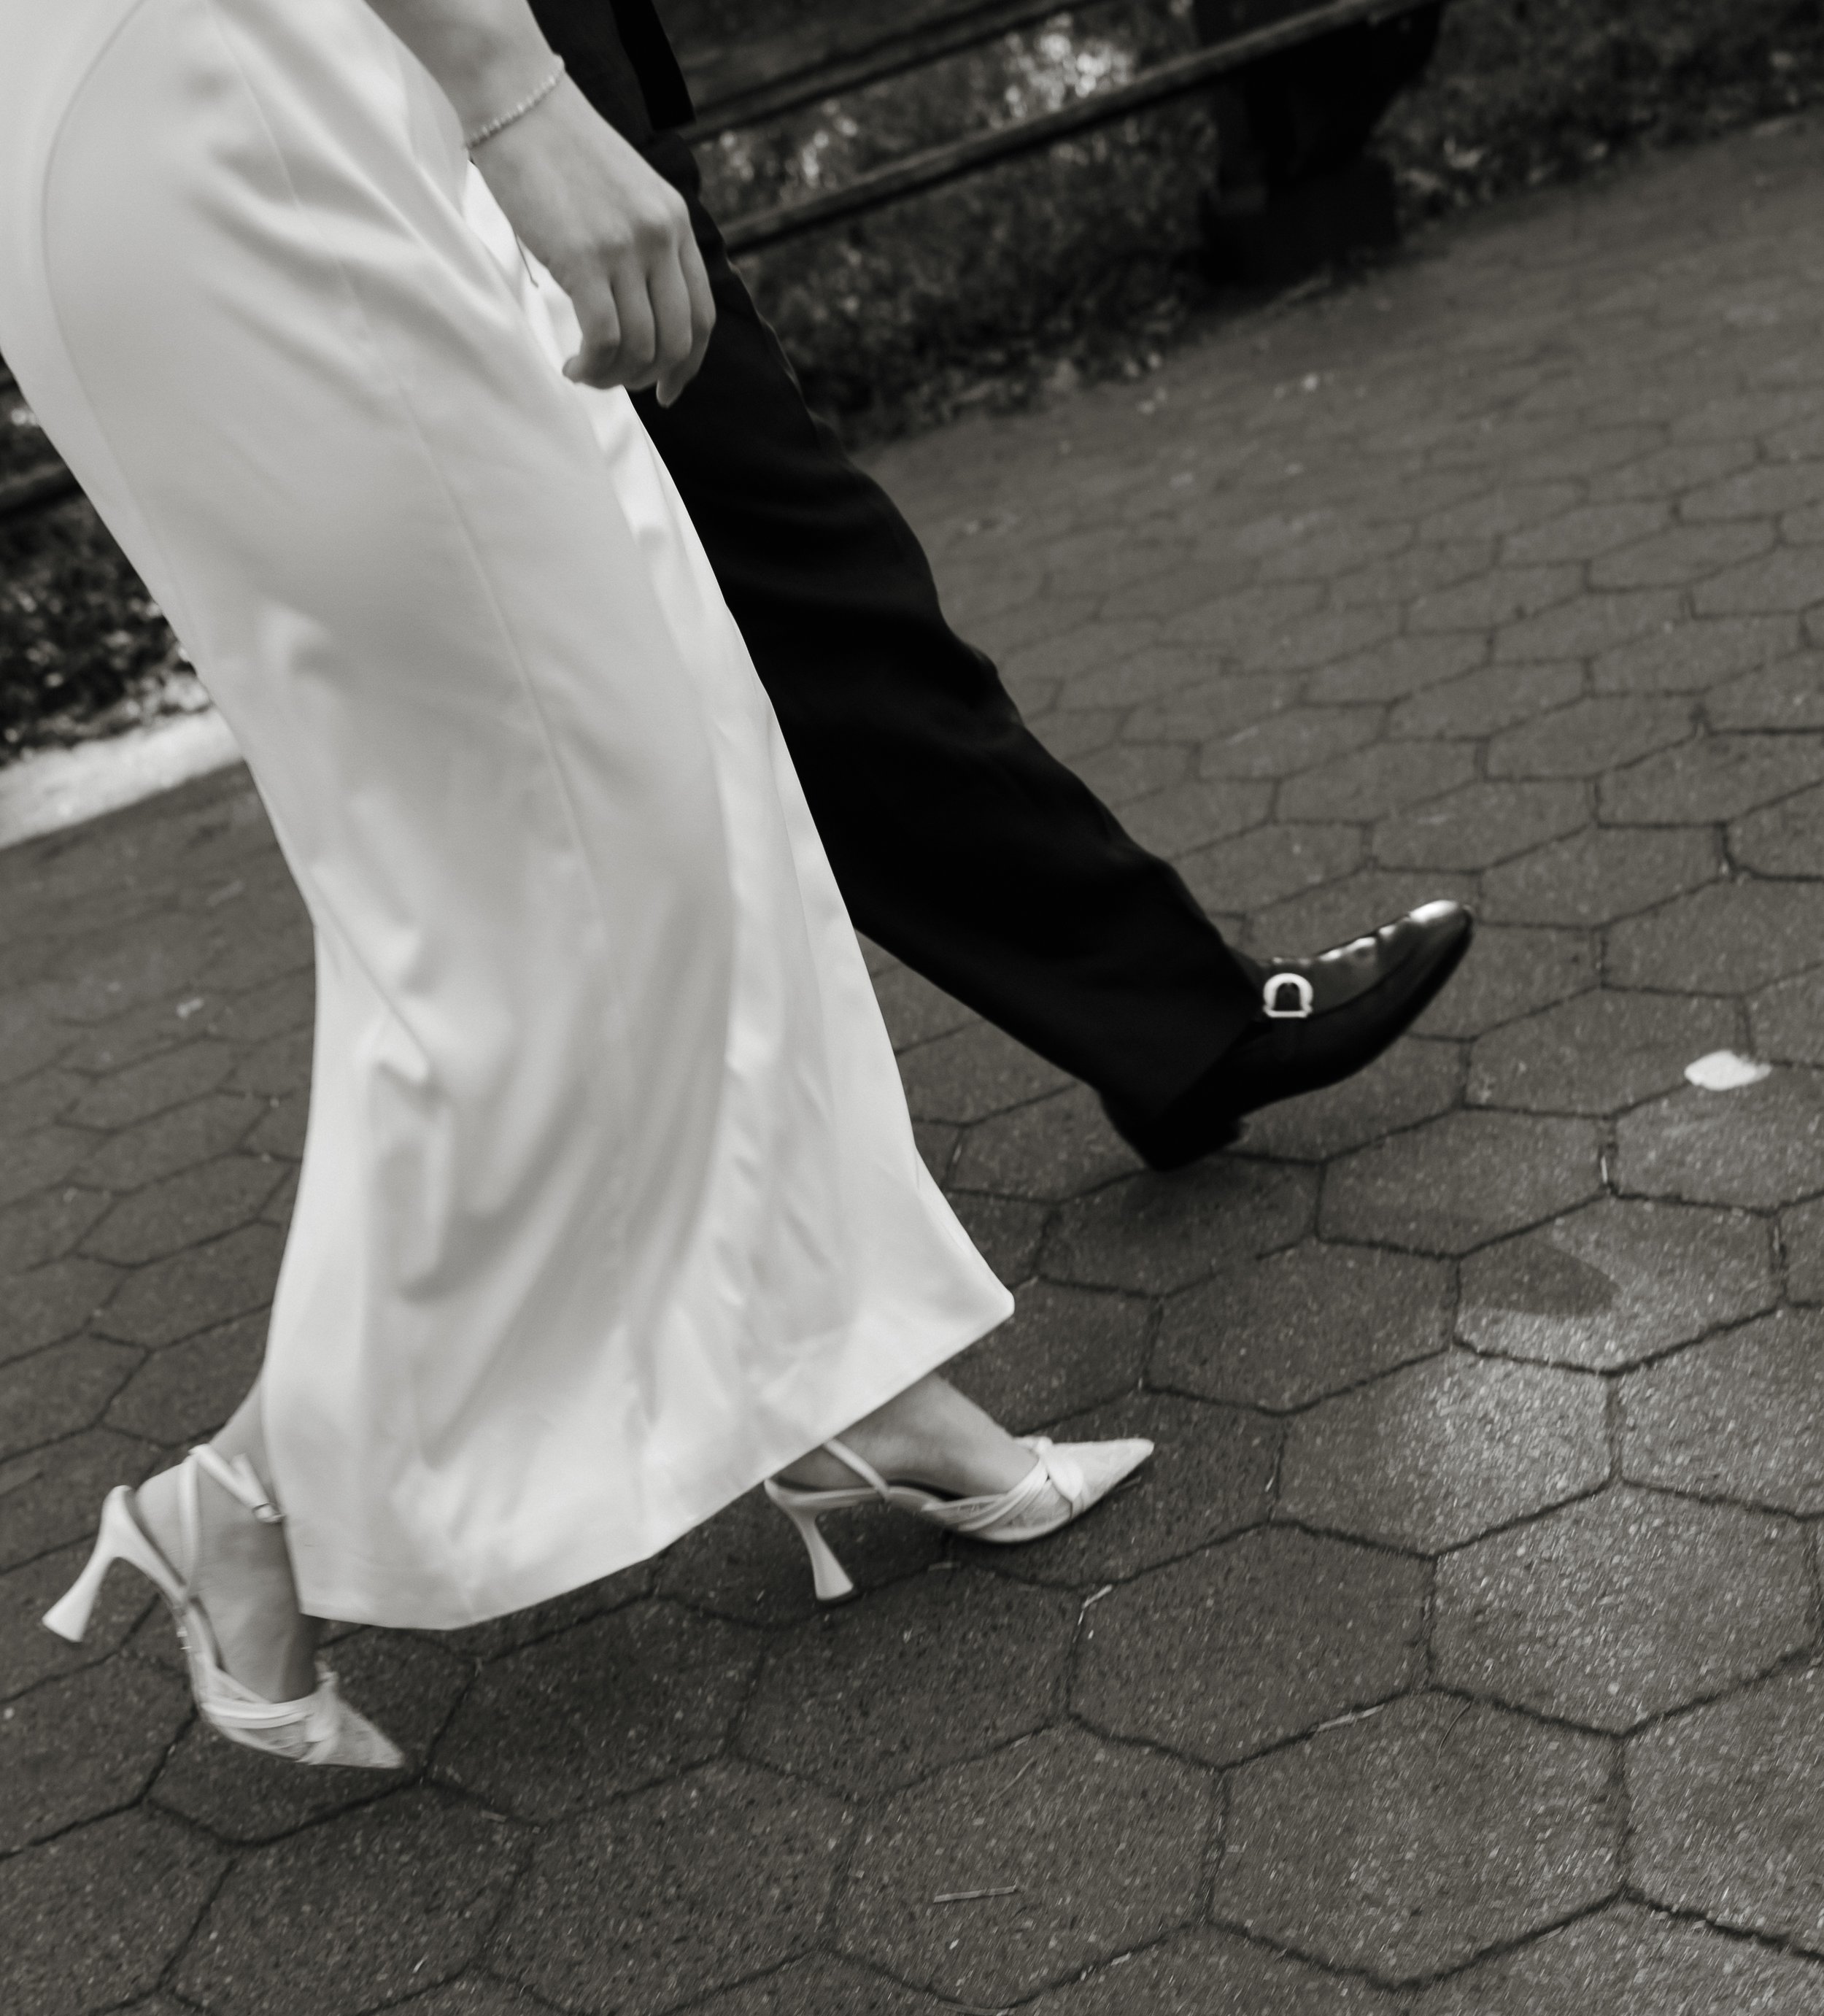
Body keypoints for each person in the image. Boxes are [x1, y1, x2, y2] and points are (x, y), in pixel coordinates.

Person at [8, 0, 1150, 1768]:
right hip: (218, 98)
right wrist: (508, 85)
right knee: (533, 863)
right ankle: (257, 1492)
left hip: (262, 86)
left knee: (658, 769)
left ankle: (837, 1371)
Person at [526, 1, 1472, 1168]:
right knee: (808, 604)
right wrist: (530, 110)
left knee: (727, 642)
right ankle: (1169, 1024)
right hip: (501, 175)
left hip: (523, 151)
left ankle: (1157, 1026)